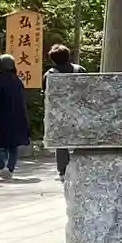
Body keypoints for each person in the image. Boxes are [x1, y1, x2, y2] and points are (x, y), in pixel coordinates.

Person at [0, 54, 29, 179]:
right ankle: (9, 170)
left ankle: (1, 167)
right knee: (13, 146)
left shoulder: (0, 80)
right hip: (18, 117)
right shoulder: (17, 80)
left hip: (4, 117)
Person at [45, 41, 79, 180]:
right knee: (80, 140)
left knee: (61, 141)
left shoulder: (50, 74)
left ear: (52, 59)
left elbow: (46, 94)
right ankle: (79, 167)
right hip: (79, 110)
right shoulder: (79, 70)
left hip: (59, 112)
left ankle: (63, 171)